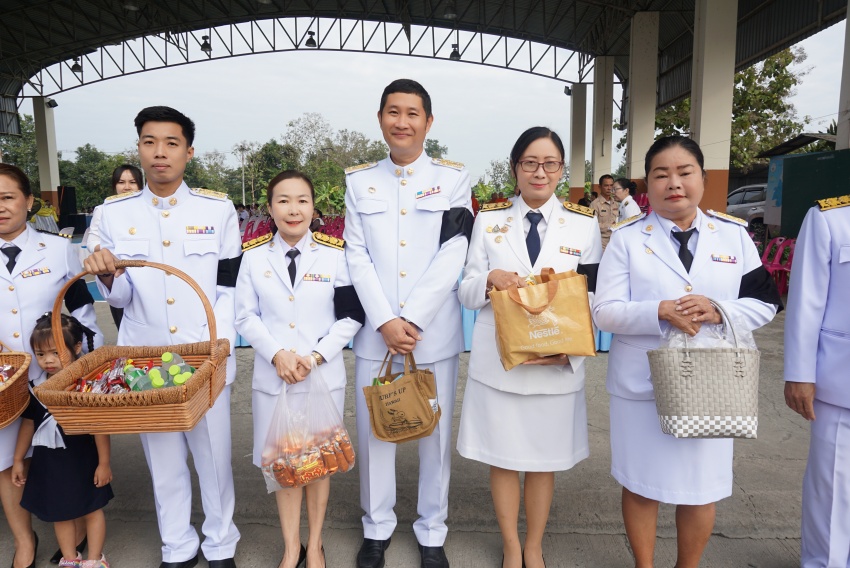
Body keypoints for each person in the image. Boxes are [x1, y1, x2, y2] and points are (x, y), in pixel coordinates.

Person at [592, 135, 781, 568]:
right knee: (641, 484)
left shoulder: (733, 236)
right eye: (661, 174)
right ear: (647, 184)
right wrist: (658, 311)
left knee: (701, 488)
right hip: (641, 387)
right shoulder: (626, 238)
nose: (674, 183)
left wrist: (719, 310)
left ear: (702, 178)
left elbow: (766, 303)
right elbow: (604, 312)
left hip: (712, 388)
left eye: (684, 172)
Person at [83, 106, 242, 568]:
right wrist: (107, 276)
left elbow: (229, 287)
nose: (160, 152)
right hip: (144, 360)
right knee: (164, 461)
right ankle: (177, 545)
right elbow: (120, 296)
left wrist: (217, 350)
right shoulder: (112, 214)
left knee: (214, 460)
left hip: (205, 356)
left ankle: (220, 544)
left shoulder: (217, 209)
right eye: (149, 142)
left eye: (171, 143)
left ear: (188, 152)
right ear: (138, 148)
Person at [457, 127, 601, 568]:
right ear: (515, 168)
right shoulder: (488, 221)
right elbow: (464, 290)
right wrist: (489, 279)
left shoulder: (583, 224)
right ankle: (510, 546)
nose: (540, 172)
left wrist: (572, 350)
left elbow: (594, 297)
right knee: (502, 459)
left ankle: (533, 546)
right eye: (530, 163)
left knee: (543, 461)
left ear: (561, 170)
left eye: (550, 163)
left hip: (555, 365)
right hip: (501, 364)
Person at [343, 78, 473, 568]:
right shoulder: (360, 181)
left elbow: (454, 249)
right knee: (375, 431)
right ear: (380, 119)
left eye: (412, 113)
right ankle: (376, 528)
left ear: (428, 122)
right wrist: (384, 321)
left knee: (433, 437)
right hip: (376, 335)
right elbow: (356, 255)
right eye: (393, 112)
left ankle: (432, 530)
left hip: (431, 334)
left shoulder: (453, 179)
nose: (402, 122)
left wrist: (412, 317)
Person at [236, 170, 364, 568]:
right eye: (284, 200)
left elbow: (351, 316)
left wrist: (314, 357)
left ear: (313, 207)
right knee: (284, 465)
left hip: (320, 376)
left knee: (319, 464)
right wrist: (277, 354)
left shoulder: (335, 254)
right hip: (274, 378)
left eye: (302, 200)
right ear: (270, 208)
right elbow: (245, 316)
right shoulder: (253, 256)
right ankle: (292, 547)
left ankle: (316, 544)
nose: (294, 209)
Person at [0, 163, 102, 568]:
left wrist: (81, 364)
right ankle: (24, 540)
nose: (0, 207)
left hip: (55, 378)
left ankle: (74, 533)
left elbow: (84, 312)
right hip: (3, 383)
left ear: (28, 201)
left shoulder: (58, 249)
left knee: (63, 457)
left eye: (7, 197)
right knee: (6, 461)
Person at [12, 314, 112, 568]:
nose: (47, 360)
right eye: (40, 354)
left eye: (55, 353)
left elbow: (99, 427)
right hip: (49, 462)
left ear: (77, 347)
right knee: (60, 513)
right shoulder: (36, 387)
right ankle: (69, 558)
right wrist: (18, 459)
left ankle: (94, 559)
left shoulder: (87, 385)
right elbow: (29, 423)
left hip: (83, 459)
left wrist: (104, 463)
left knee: (91, 509)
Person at [783, 195, 850, 567]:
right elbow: (806, 301)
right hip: (842, 382)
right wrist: (800, 373)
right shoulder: (832, 219)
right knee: (834, 490)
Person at [84, 164, 144, 330]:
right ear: (114, 185)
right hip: (117, 275)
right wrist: (113, 252)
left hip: (144, 275)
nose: (127, 187)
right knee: (123, 323)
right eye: (121, 182)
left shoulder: (149, 210)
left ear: (141, 185)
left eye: (132, 182)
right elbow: (91, 242)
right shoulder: (104, 210)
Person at [590, 175, 617, 250]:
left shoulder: (615, 203)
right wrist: (610, 226)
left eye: (611, 185)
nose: (609, 188)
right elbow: (592, 225)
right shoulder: (594, 204)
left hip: (615, 241)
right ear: (600, 187)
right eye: (606, 185)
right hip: (601, 243)